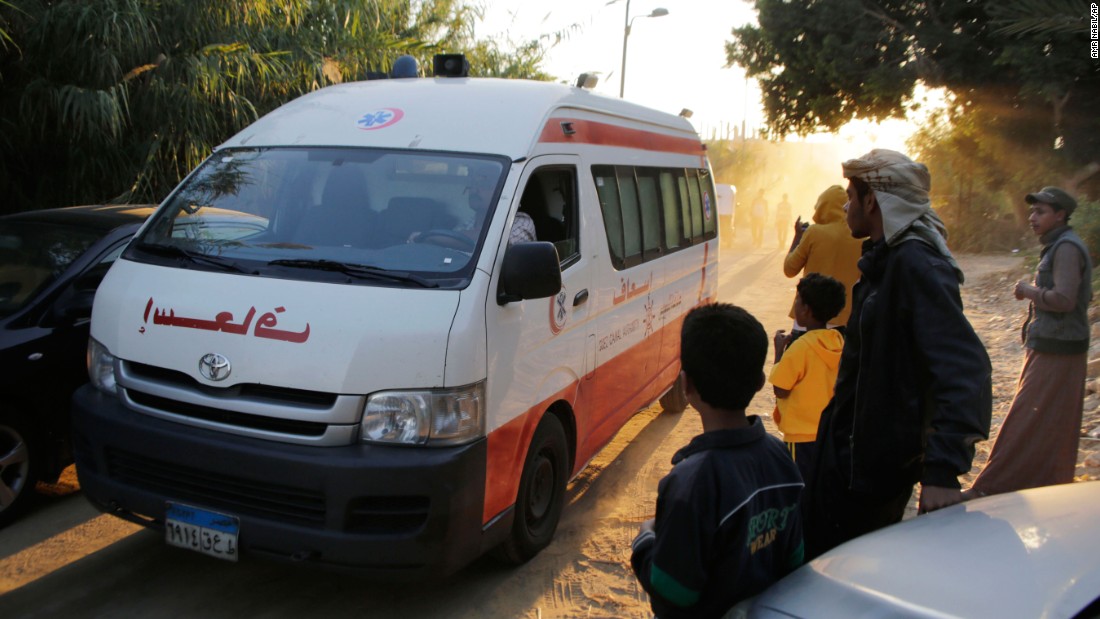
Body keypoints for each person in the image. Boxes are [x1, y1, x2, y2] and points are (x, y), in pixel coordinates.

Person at [803, 149, 992, 560]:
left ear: (872, 201)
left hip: (875, 468)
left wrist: (942, 471)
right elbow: (886, 342)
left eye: (852, 197)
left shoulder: (916, 265)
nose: (848, 206)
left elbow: (964, 370)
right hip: (849, 454)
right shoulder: (885, 260)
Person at [631, 303, 804, 619]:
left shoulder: (690, 483)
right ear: (759, 382)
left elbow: (673, 594)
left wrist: (645, 541)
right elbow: (794, 559)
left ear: (686, 385)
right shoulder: (782, 460)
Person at [964, 187, 1093, 499]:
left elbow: (1063, 299)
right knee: (1050, 418)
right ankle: (1047, 487)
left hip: (1057, 347)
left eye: (1041, 212)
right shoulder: (1059, 244)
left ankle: (990, 488)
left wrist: (1028, 290)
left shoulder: (1066, 248)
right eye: (1033, 212)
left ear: (1060, 215)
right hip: (1056, 343)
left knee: (1025, 416)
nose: (1033, 218)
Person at [770, 273, 846, 486]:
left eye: (797, 300)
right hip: (827, 433)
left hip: (800, 436)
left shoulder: (800, 347)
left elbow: (781, 389)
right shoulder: (837, 340)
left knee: (799, 488)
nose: (794, 304)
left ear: (806, 310)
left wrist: (779, 352)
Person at [783, 185, 864, 334]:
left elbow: (789, 269)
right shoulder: (862, 238)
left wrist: (798, 237)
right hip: (844, 322)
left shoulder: (814, 232)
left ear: (823, 206)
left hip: (807, 321)